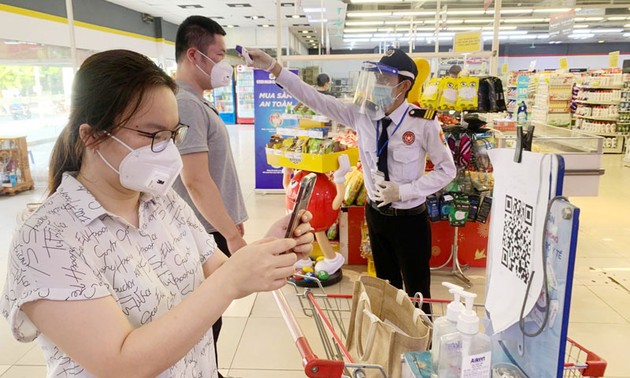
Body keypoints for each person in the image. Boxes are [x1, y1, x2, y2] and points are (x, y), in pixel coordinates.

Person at [0, 49, 313, 378]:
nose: (166, 150)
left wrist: (269, 249)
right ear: (91, 135)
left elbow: (222, 272)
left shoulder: (162, 203)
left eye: (171, 135)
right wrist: (231, 282)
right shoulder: (46, 240)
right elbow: (120, 364)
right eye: (152, 135)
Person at [246, 47, 456, 314]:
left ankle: (422, 345)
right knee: (385, 288)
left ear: (403, 85)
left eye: (384, 79)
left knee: (417, 291)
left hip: (410, 219)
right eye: (376, 77)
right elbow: (315, 99)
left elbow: (446, 170)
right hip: (376, 215)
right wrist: (273, 67)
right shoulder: (362, 114)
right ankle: (388, 339)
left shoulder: (423, 123)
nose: (377, 84)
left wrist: (404, 191)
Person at [172, 16, 248, 374]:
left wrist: (232, 222)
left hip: (210, 227)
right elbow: (196, 180)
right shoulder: (184, 104)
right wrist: (230, 235)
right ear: (194, 55)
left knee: (209, 318)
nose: (224, 65)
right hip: (201, 233)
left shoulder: (195, 101)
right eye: (218, 55)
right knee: (203, 318)